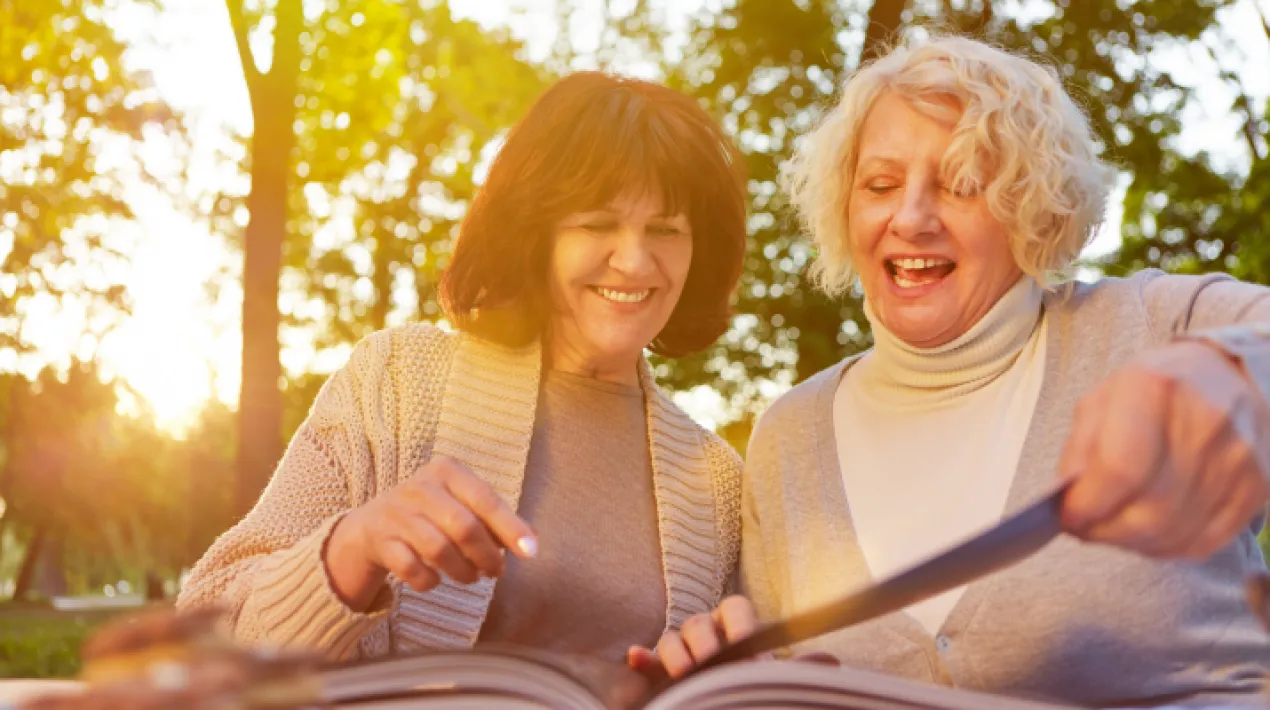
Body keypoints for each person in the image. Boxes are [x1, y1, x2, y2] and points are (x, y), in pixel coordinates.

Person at [637, 35, 1270, 708]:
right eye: (880, 185)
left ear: (1033, 207)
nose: (910, 218)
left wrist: (1234, 367)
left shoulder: (1148, 324)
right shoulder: (790, 436)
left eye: (962, 184)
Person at [177, 71, 749, 664]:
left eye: (665, 230)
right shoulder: (396, 381)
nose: (633, 261)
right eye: (597, 224)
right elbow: (207, 631)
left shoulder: (717, 481)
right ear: (536, 234)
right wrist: (353, 548)